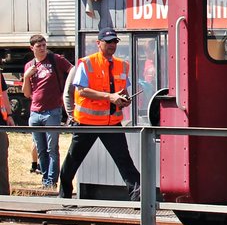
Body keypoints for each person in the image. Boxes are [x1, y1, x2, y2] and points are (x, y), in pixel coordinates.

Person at [58, 28, 141, 201]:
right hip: (87, 123)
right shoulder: (86, 63)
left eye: (114, 42)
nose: (112, 45)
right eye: (108, 41)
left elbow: (123, 90)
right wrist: (110, 97)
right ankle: (64, 197)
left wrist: (124, 99)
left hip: (111, 123)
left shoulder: (122, 65)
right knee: (72, 161)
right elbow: (82, 91)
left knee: (124, 161)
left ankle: (137, 198)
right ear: (98, 43)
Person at [21, 34, 74, 188]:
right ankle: (45, 181)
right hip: (35, 112)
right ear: (32, 48)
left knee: (52, 148)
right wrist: (26, 77)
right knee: (41, 148)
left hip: (52, 111)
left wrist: (67, 93)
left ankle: (52, 181)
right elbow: (26, 93)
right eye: (39, 46)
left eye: (44, 45)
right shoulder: (29, 66)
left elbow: (72, 70)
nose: (43, 48)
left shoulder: (55, 59)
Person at [0, 72, 14, 196]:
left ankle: (4, 196)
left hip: (0, 122)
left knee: (2, 161)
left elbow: (4, 94)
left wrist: (9, 115)